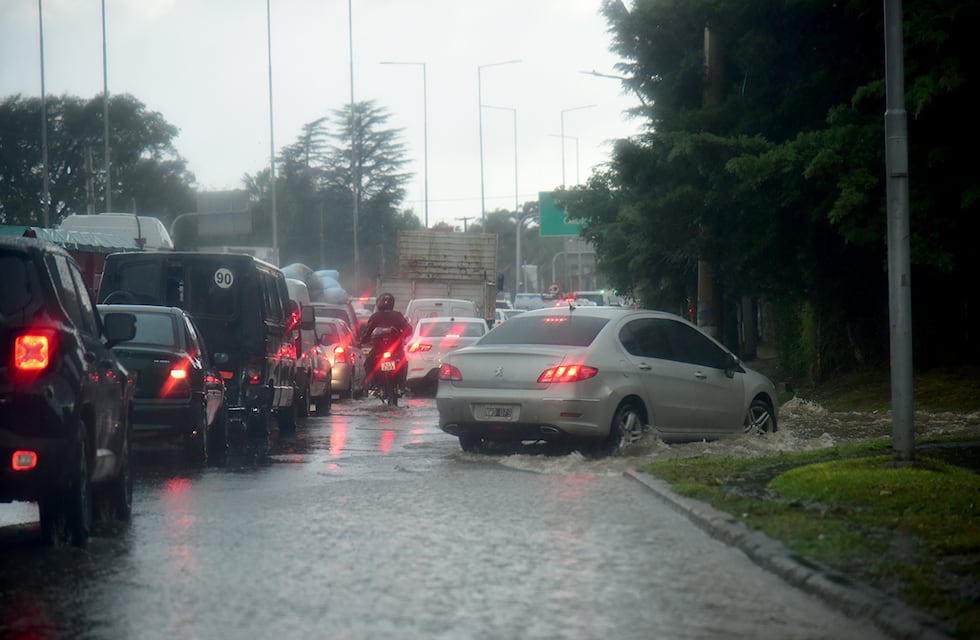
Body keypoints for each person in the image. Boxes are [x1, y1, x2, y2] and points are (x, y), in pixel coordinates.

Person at [359, 292, 412, 387]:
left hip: (387, 349)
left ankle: (373, 384)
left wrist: (362, 341)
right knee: (369, 363)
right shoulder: (397, 315)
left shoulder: (376, 316)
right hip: (387, 349)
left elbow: (367, 333)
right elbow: (408, 329)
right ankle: (399, 384)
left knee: (368, 364)